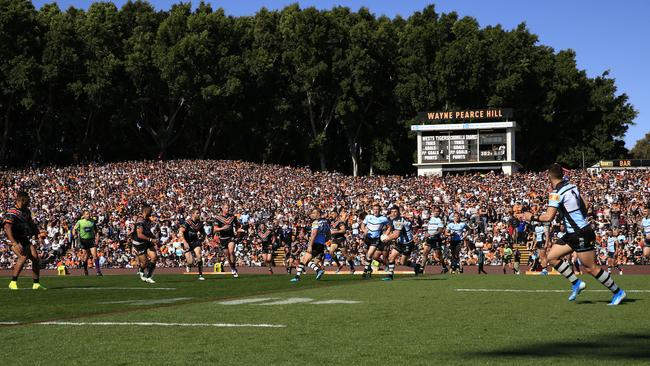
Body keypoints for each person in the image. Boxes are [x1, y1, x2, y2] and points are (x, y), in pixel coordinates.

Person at [519, 164, 625, 305]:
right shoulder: (572, 186)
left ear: (549, 176)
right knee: (551, 257)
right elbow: (585, 205)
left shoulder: (556, 193)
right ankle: (576, 283)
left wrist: (530, 217)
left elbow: (548, 217)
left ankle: (618, 292)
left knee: (591, 268)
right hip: (573, 233)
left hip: (580, 232)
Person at [5, 191, 45, 290]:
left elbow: (31, 224)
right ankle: (13, 282)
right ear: (21, 200)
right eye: (27, 200)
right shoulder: (12, 212)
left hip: (23, 238)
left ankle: (36, 284)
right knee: (23, 257)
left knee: (35, 258)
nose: (29, 202)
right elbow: (7, 228)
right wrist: (14, 243)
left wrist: (38, 233)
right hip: (13, 239)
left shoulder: (26, 211)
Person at [291, 208, 329, 282]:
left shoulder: (316, 222)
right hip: (321, 244)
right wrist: (324, 241)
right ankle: (317, 271)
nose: (312, 214)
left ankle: (297, 277)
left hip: (315, 243)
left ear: (318, 214)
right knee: (304, 259)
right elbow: (328, 234)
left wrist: (310, 245)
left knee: (304, 259)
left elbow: (314, 234)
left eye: (314, 213)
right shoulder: (325, 222)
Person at [382, 206, 419, 281]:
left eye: (395, 211)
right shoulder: (393, 220)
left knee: (403, 262)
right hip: (400, 243)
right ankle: (390, 275)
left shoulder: (399, 221)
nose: (394, 213)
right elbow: (390, 228)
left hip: (408, 243)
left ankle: (416, 266)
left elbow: (397, 234)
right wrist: (386, 234)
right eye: (392, 212)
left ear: (398, 212)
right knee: (391, 257)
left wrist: (387, 238)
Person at [131, 204, 160, 284]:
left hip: (147, 241)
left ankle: (149, 276)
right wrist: (151, 239)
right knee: (144, 263)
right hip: (139, 243)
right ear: (145, 211)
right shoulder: (140, 221)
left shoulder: (148, 219)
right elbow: (139, 235)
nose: (151, 212)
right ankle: (141, 269)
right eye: (150, 210)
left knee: (154, 257)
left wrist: (154, 239)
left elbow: (148, 231)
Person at [360, 203, 390, 279]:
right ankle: (369, 268)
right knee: (367, 255)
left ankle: (365, 270)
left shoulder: (383, 218)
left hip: (376, 239)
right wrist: (364, 230)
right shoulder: (368, 217)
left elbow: (389, 227)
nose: (376, 211)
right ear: (372, 210)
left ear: (380, 210)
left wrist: (385, 234)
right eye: (374, 209)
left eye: (377, 209)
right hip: (367, 238)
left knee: (369, 255)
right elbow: (362, 225)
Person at [73, 210, 102, 276]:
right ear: (83, 215)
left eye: (89, 214)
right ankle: (85, 270)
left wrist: (97, 238)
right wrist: (74, 235)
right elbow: (74, 229)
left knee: (95, 255)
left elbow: (96, 231)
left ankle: (98, 271)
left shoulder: (92, 221)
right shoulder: (80, 222)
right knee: (85, 257)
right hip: (83, 241)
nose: (88, 215)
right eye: (86, 214)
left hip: (91, 240)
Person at [213, 204, 239, 278]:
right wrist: (223, 228)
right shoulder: (218, 218)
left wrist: (237, 230)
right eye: (226, 208)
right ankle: (232, 267)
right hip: (223, 238)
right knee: (227, 255)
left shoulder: (232, 217)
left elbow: (237, 225)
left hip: (231, 237)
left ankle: (234, 267)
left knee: (231, 251)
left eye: (228, 208)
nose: (228, 209)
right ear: (222, 209)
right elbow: (215, 229)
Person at [179, 209, 205, 280]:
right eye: (197, 213)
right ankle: (188, 265)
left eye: (199, 213)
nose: (199, 214)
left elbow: (203, 232)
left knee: (199, 256)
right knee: (190, 261)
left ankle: (200, 275)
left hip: (195, 241)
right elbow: (180, 232)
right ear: (192, 214)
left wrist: (204, 238)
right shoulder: (187, 222)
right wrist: (184, 242)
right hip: (186, 242)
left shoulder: (200, 223)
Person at [422, 207, 447, 274]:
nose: (436, 212)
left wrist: (431, 234)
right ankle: (421, 268)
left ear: (439, 213)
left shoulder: (440, 220)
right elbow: (427, 227)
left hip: (436, 239)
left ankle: (444, 267)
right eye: (435, 211)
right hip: (429, 239)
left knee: (438, 255)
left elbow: (440, 231)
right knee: (425, 253)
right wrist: (426, 232)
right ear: (433, 212)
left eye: (438, 211)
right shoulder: (430, 218)